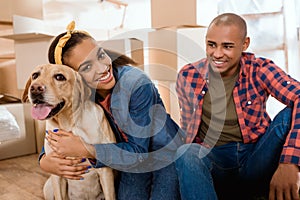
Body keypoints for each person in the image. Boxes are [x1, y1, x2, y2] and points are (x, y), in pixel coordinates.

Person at [40, 21, 184, 200]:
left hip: (163, 155)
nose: (102, 68)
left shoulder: (135, 84)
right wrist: (44, 160)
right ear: (73, 79)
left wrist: (86, 149)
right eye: (87, 67)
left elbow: (139, 152)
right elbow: (58, 126)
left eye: (100, 55)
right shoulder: (79, 96)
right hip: (129, 161)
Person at [175, 13, 300, 200]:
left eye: (227, 46)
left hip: (256, 157)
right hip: (215, 159)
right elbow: (188, 129)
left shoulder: (259, 69)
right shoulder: (188, 76)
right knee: (186, 152)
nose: (217, 54)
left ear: (245, 44)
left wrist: (289, 163)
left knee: (289, 115)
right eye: (211, 45)